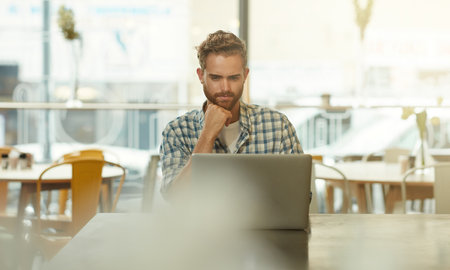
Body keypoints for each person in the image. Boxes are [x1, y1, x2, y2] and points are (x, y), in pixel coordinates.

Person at [159, 30, 303, 198]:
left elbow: (299, 195)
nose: (225, 88)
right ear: (201, 76)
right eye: (216, 78)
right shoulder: (177, 131)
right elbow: (176, 198)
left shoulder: (278, 126)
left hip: (266, 225)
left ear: (245, 75)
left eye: (233, 78)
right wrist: (207, 135)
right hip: (202, 225)